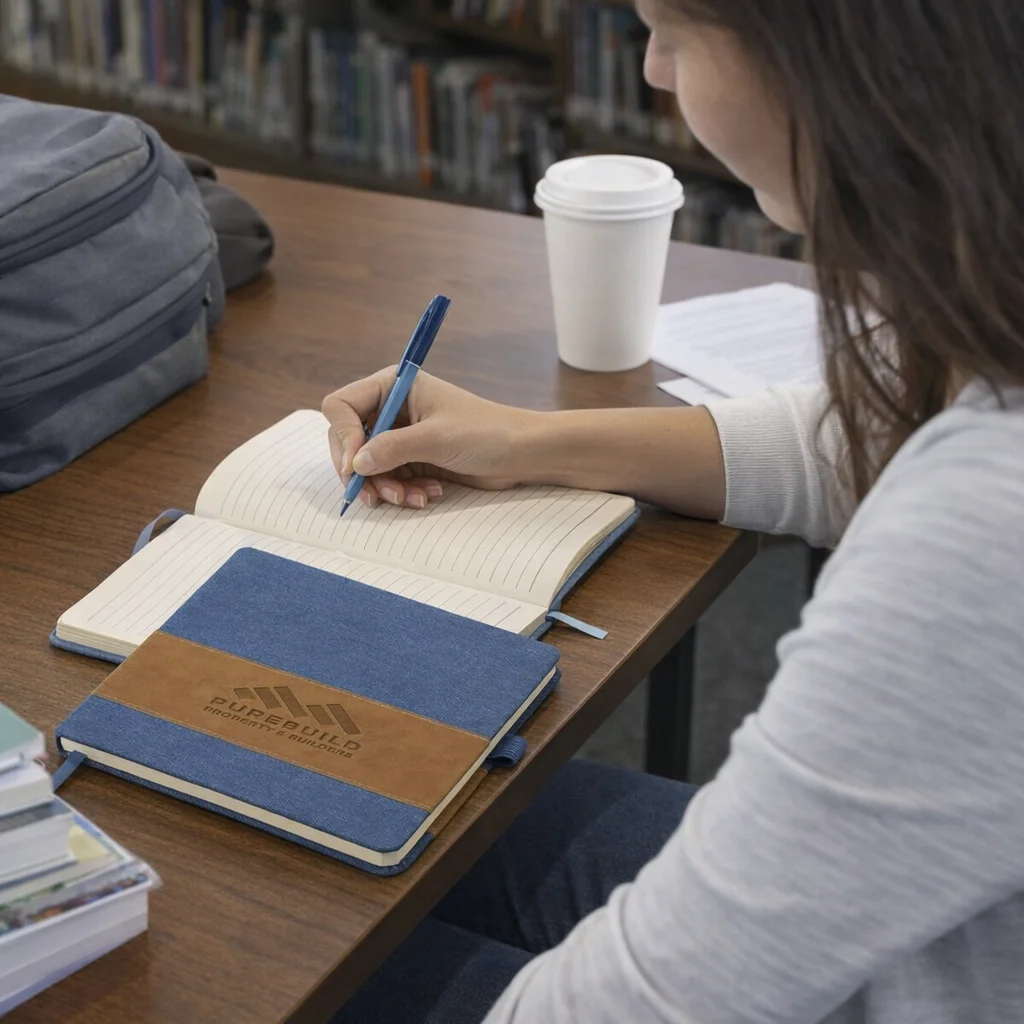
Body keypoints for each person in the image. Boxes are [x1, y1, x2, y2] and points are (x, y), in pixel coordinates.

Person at [322, 1, 1024, 1021]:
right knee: (433, 812)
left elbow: (650, 1003)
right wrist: (523, 442)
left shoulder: (980, 532)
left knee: (276, 961)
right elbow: (872, 436)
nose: (652, 71)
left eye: (672, 30)